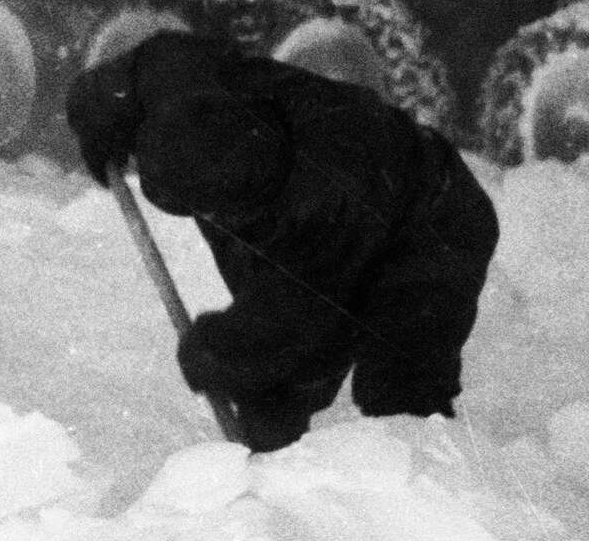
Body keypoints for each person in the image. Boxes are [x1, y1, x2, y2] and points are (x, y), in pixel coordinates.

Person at [64, 30, 499, 454]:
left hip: (435, 220)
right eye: (206, 211)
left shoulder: (322, 199)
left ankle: (426, 498)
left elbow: (299, 314)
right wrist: (100, 108)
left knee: (398, 396)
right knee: (272, 393)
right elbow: (159, 59)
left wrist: (223, 349)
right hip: (338, 212)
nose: (215, 220)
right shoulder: (209, 96)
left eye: (224, 211)